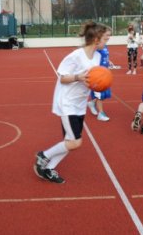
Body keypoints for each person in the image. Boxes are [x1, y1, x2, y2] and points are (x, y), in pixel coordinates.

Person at [34, 21, 111, 184]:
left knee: (70, 141)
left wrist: (98, 83)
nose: (107, 42)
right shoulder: (76, 56)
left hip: (79, 104)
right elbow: (62, 77)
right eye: (106, 39)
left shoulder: (97, 56)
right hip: (67, 102)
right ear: (96, 39)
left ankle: (47, 168)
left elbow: (93, 78)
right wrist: (78, 77)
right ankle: (44, 156)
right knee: (75, 142)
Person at [87, 29, 114, 121]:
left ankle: (92, 103)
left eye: (109, 35)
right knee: (99, 95)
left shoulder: (105, 45)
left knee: (105, 94)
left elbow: (104, 55)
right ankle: (101, 113)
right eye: (107, 35)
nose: (108, 37)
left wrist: (108, 61)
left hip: (105, 72)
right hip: (98, 74)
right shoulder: (97, 45)